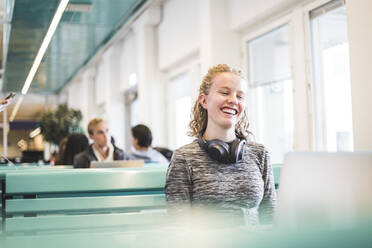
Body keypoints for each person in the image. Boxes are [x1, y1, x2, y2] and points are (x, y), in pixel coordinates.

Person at [164, 64, 276, 225]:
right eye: (224, 92)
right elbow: (178, 226)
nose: (233, 100)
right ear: (204, 100)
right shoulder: (184, 158)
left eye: (240, 96)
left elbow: (270, 219)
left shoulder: (260, 154)